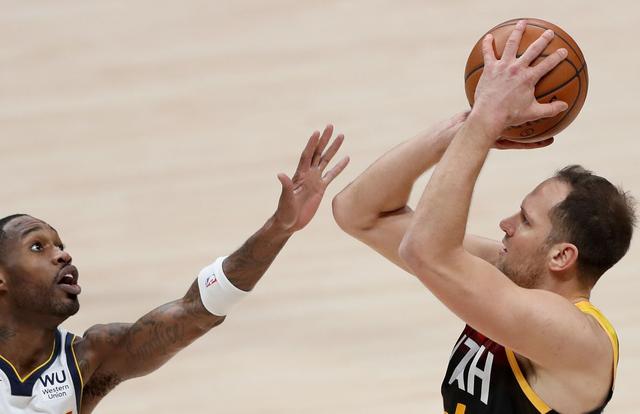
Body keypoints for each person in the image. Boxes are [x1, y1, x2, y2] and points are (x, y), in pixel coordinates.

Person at [332, 20, 635, 413]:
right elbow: (358, 212)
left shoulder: (576, 340)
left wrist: (485, 122)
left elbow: (424, 250)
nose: (505, 225)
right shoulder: (508, 272)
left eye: (525, 221)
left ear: (561, 256)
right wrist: (464, 128)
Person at [0, 125, 349, 413]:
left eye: (59, 245)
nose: (62, 255)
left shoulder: (89, 357)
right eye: (37, 246)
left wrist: (279, 228)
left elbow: (197, 310)